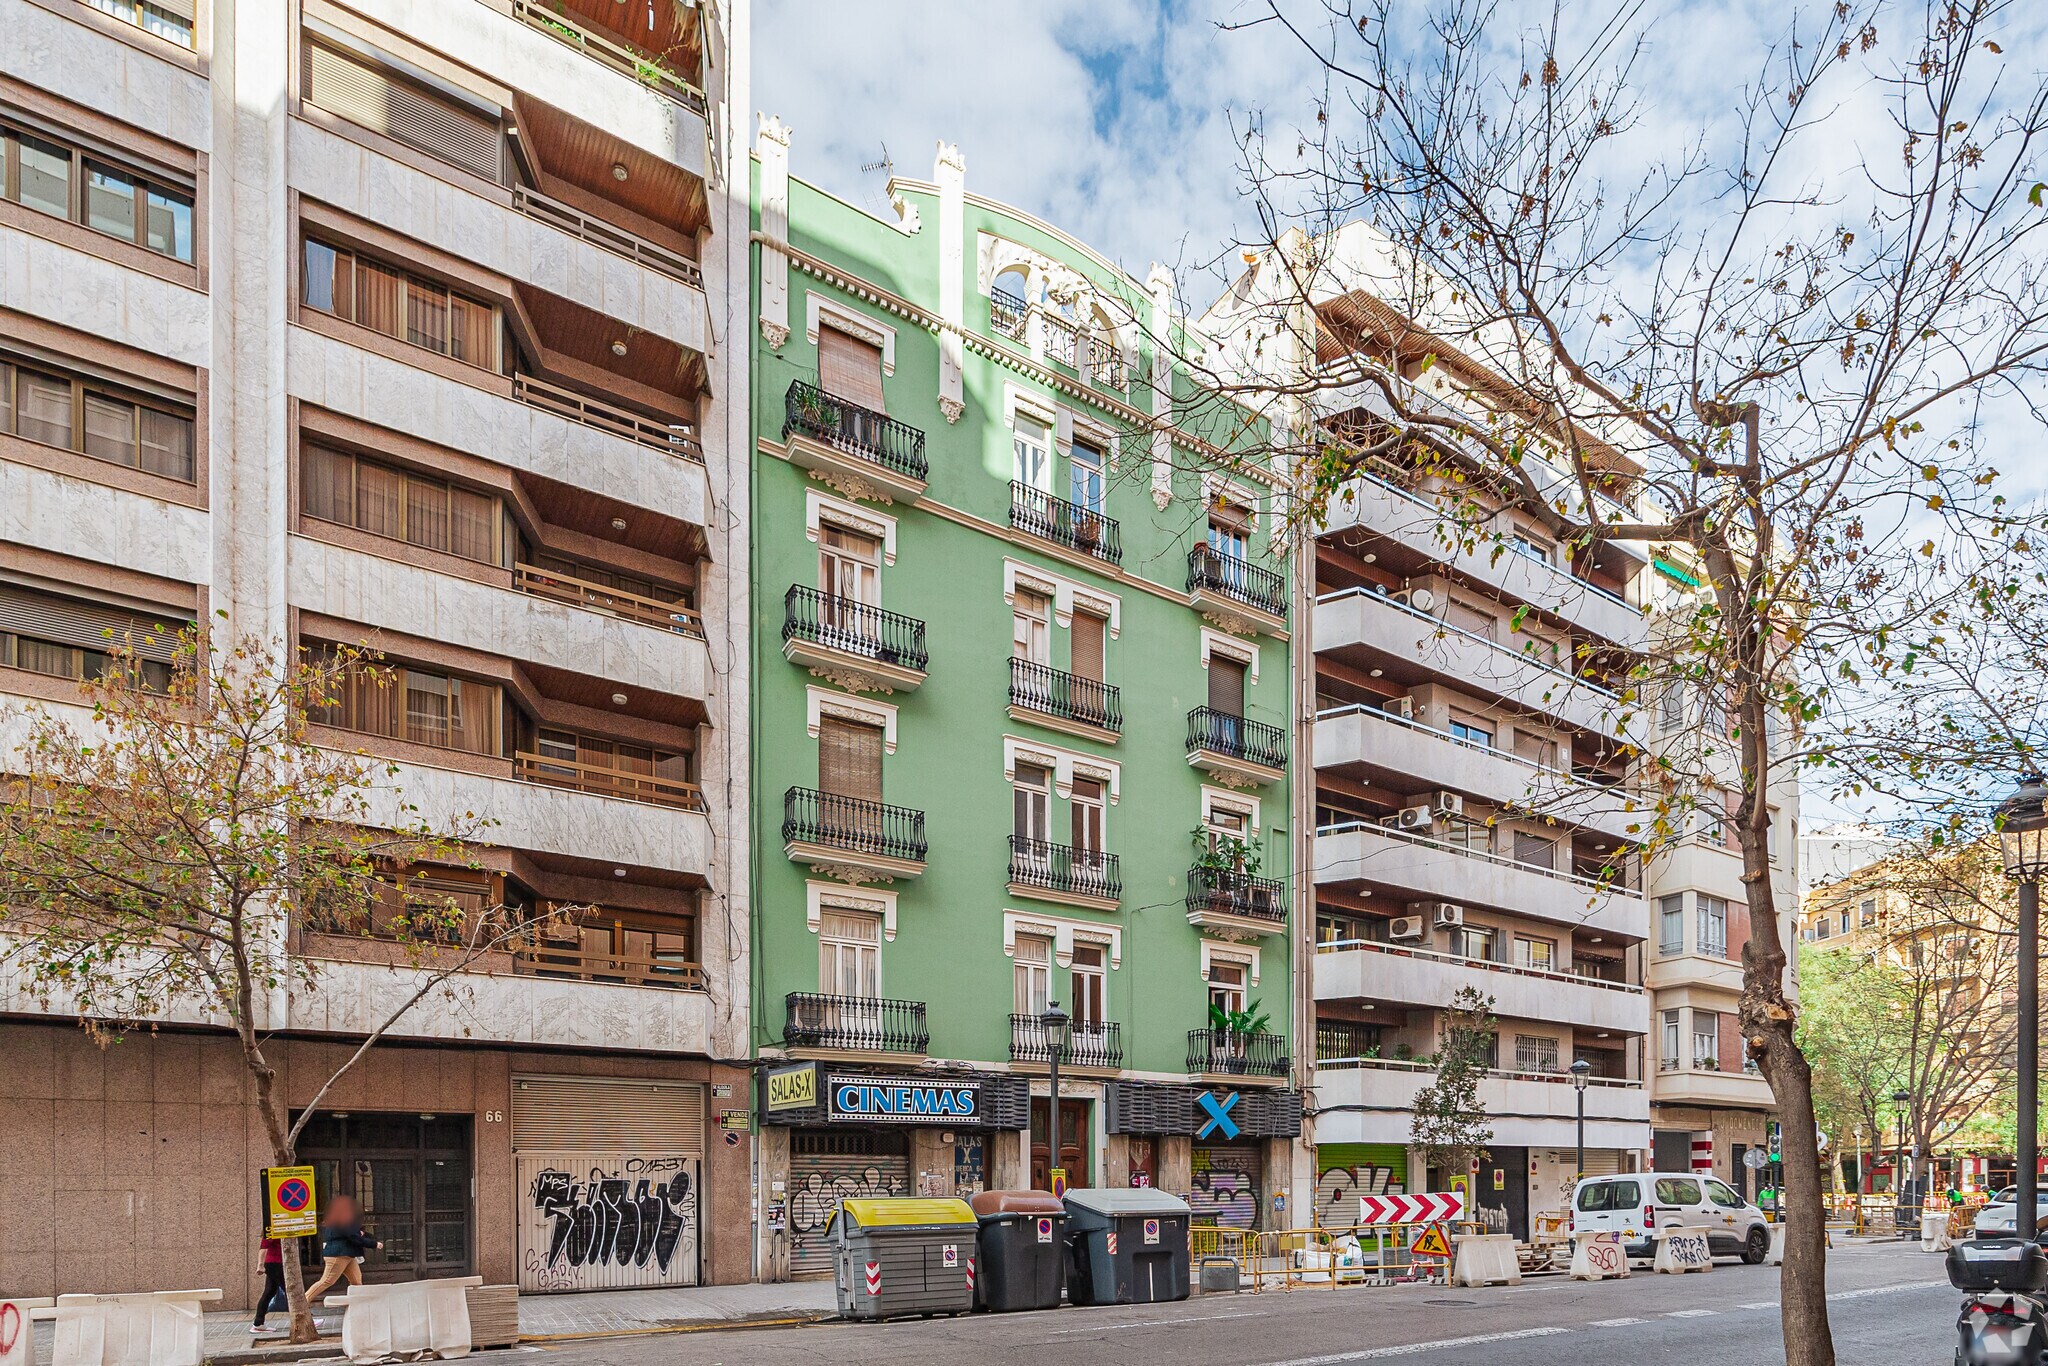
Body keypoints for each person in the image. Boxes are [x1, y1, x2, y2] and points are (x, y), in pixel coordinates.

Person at [302, 1195, 380, 1306]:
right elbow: (352, 1236)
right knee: (327, 1281)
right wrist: (374, 1244)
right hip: (338, 1255)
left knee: (356, 1282)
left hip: (346, 1254)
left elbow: (347, 1233)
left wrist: (359, 1233)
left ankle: (357, 1306)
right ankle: (303, 1303)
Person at [251, 1235, 288, 1334]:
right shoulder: (271, 1229)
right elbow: (263, 1247)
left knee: (269, 1292)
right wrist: (260, 1265)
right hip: (275, 1263)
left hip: (274, 1262)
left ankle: (258, 1323)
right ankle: (304, 1317)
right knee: (290, 1291)